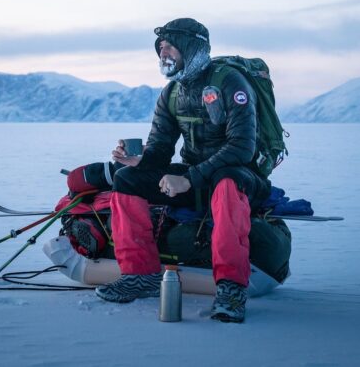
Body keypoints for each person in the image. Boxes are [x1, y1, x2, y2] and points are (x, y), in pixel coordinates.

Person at [95, 18, 271, 323]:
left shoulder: (230, 83)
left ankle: (230, 289)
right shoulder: (172, 93)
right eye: (159, 48)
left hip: (240, 177)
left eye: (169, 46)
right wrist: (141, 161)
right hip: (194, 178)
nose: (163, 53)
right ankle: (141, 277)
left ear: (191, 48)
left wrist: (188, 180)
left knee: (226, 181)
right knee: (127, 180)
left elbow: (242, 148)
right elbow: (162, 146)